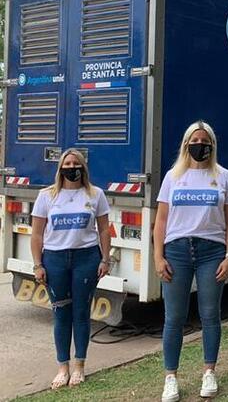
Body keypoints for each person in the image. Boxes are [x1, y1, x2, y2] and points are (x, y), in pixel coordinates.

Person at [154, 121, 228, 402]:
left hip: (211, 252)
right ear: (186, 144)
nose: (199, 144)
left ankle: (209, 371)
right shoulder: (173, 177)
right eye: (194, 140)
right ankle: (171, 377)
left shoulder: (224, 176)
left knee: (209, 314)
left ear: (212, 145)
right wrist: (158, 256)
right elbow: (161, 221)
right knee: (174, 318)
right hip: (177, 251)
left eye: (205, 140)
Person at [30, 149, 111, 390]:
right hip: (54, 259)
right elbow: (36, 234)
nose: (72, 166)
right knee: (61, 315)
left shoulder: (95, 194)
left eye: (76, 163)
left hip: (86, 258)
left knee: (81, 314)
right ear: (60, 168)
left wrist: (105, 259)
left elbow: (104, 230)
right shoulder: (47, 196)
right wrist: (37, 264)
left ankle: (79, 366)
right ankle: (62, 367)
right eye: (67, 163)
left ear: (83, 167)